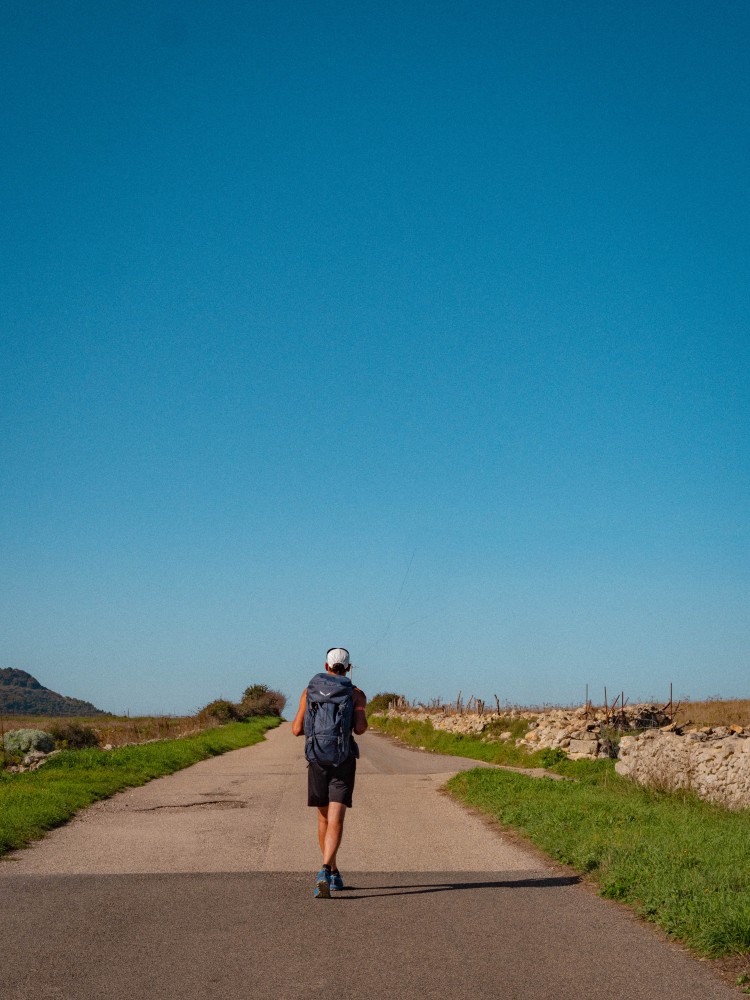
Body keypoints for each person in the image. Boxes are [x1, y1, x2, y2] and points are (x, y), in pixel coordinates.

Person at [291, 646, 367, 898]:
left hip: (316, 760)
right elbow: (360, 729)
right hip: (342, 760)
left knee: (323, 820)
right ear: (348, 669)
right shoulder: (355, 694)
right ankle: (327, 870)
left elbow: (296, 729)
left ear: (326, 666)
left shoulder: (308, 691)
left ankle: (332, 871)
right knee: (336, 819)